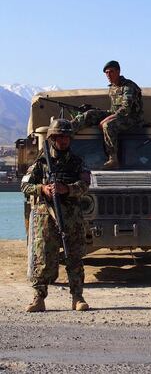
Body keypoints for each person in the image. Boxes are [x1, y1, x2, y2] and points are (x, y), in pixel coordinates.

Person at [21, 119, 91, 312]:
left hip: (71, 217)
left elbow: (85, 185)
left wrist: (66, 189)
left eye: (67, 136)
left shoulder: (78, 162)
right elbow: (25, 185)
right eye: (59, 136)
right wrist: (42, 188)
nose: (63, 140)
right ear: (52, 138)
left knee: (74, 257)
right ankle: (38, 297)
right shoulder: (41, 162)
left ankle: (77, 297)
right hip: (45, 217)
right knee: (42, 257)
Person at [71, 60, 143, 169]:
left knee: (108, 125)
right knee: (90, 114)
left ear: (118, 72)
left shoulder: (129, 87)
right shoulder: (112, 87)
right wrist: (102, 115)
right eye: (106, 73)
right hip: (116, 115)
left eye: (111, 72)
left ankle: (113, 159)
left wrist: (106, 119)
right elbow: (114, 109)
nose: (108, 75)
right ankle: (67, 132)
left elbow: (125, 109)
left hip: (132, 119)